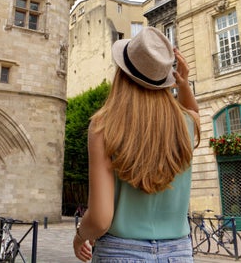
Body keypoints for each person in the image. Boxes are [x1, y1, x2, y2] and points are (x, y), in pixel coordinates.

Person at [72, 27, 200, 262]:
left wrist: (80, 236)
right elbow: (192, 110)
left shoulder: (103, 126)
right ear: (165, 79)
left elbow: (100, 219)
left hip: (121, 250)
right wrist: (183, 84)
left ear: (121, 73)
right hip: (179, 252)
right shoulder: (187, 124)